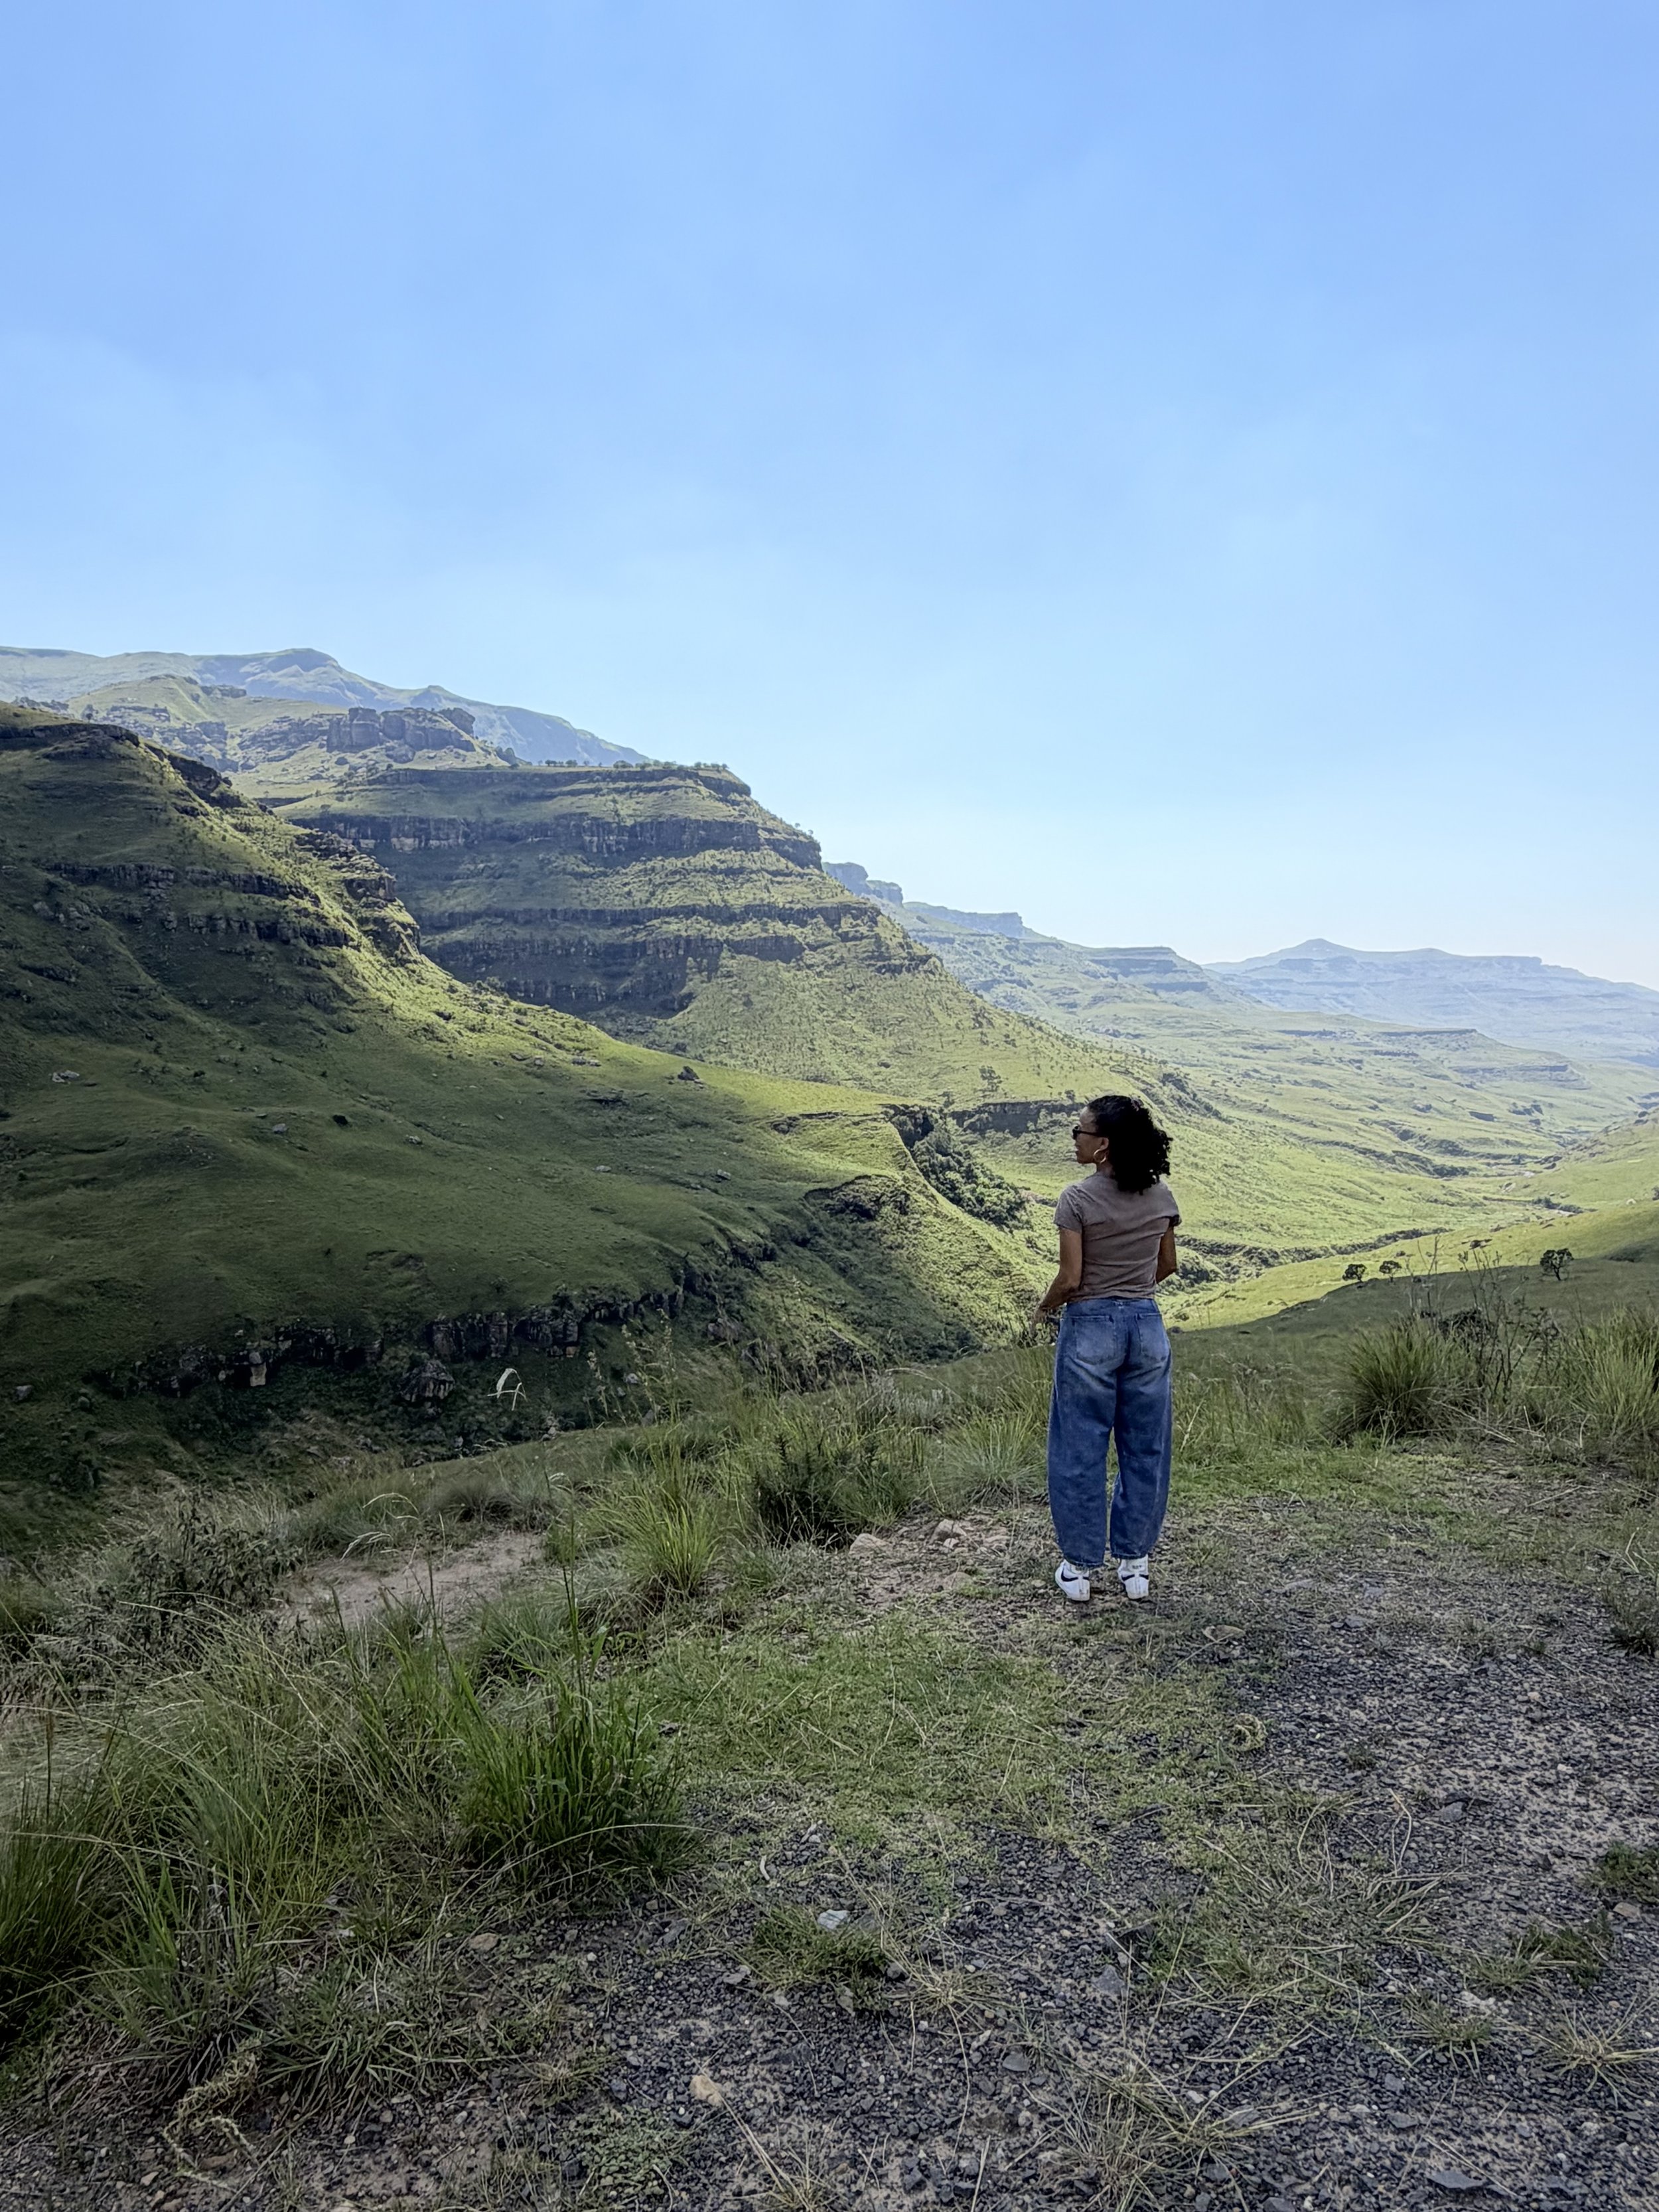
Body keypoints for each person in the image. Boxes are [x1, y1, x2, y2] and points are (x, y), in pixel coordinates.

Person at [1033, 1093, 1179, 1603]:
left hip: (1090, 1326)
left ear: (1104, 1146)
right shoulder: (1161, 1197)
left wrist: (1042, 1308)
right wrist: (1132, 1289)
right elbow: (1167, 1266)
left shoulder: (1076, 1200)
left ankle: (1078, 1569)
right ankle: (1134, 1566)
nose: (1075, 1137)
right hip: (1147, 1326)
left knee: (1080, 1447)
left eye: (1081, 1131)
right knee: (1146, 1446)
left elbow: (1070, 1278)